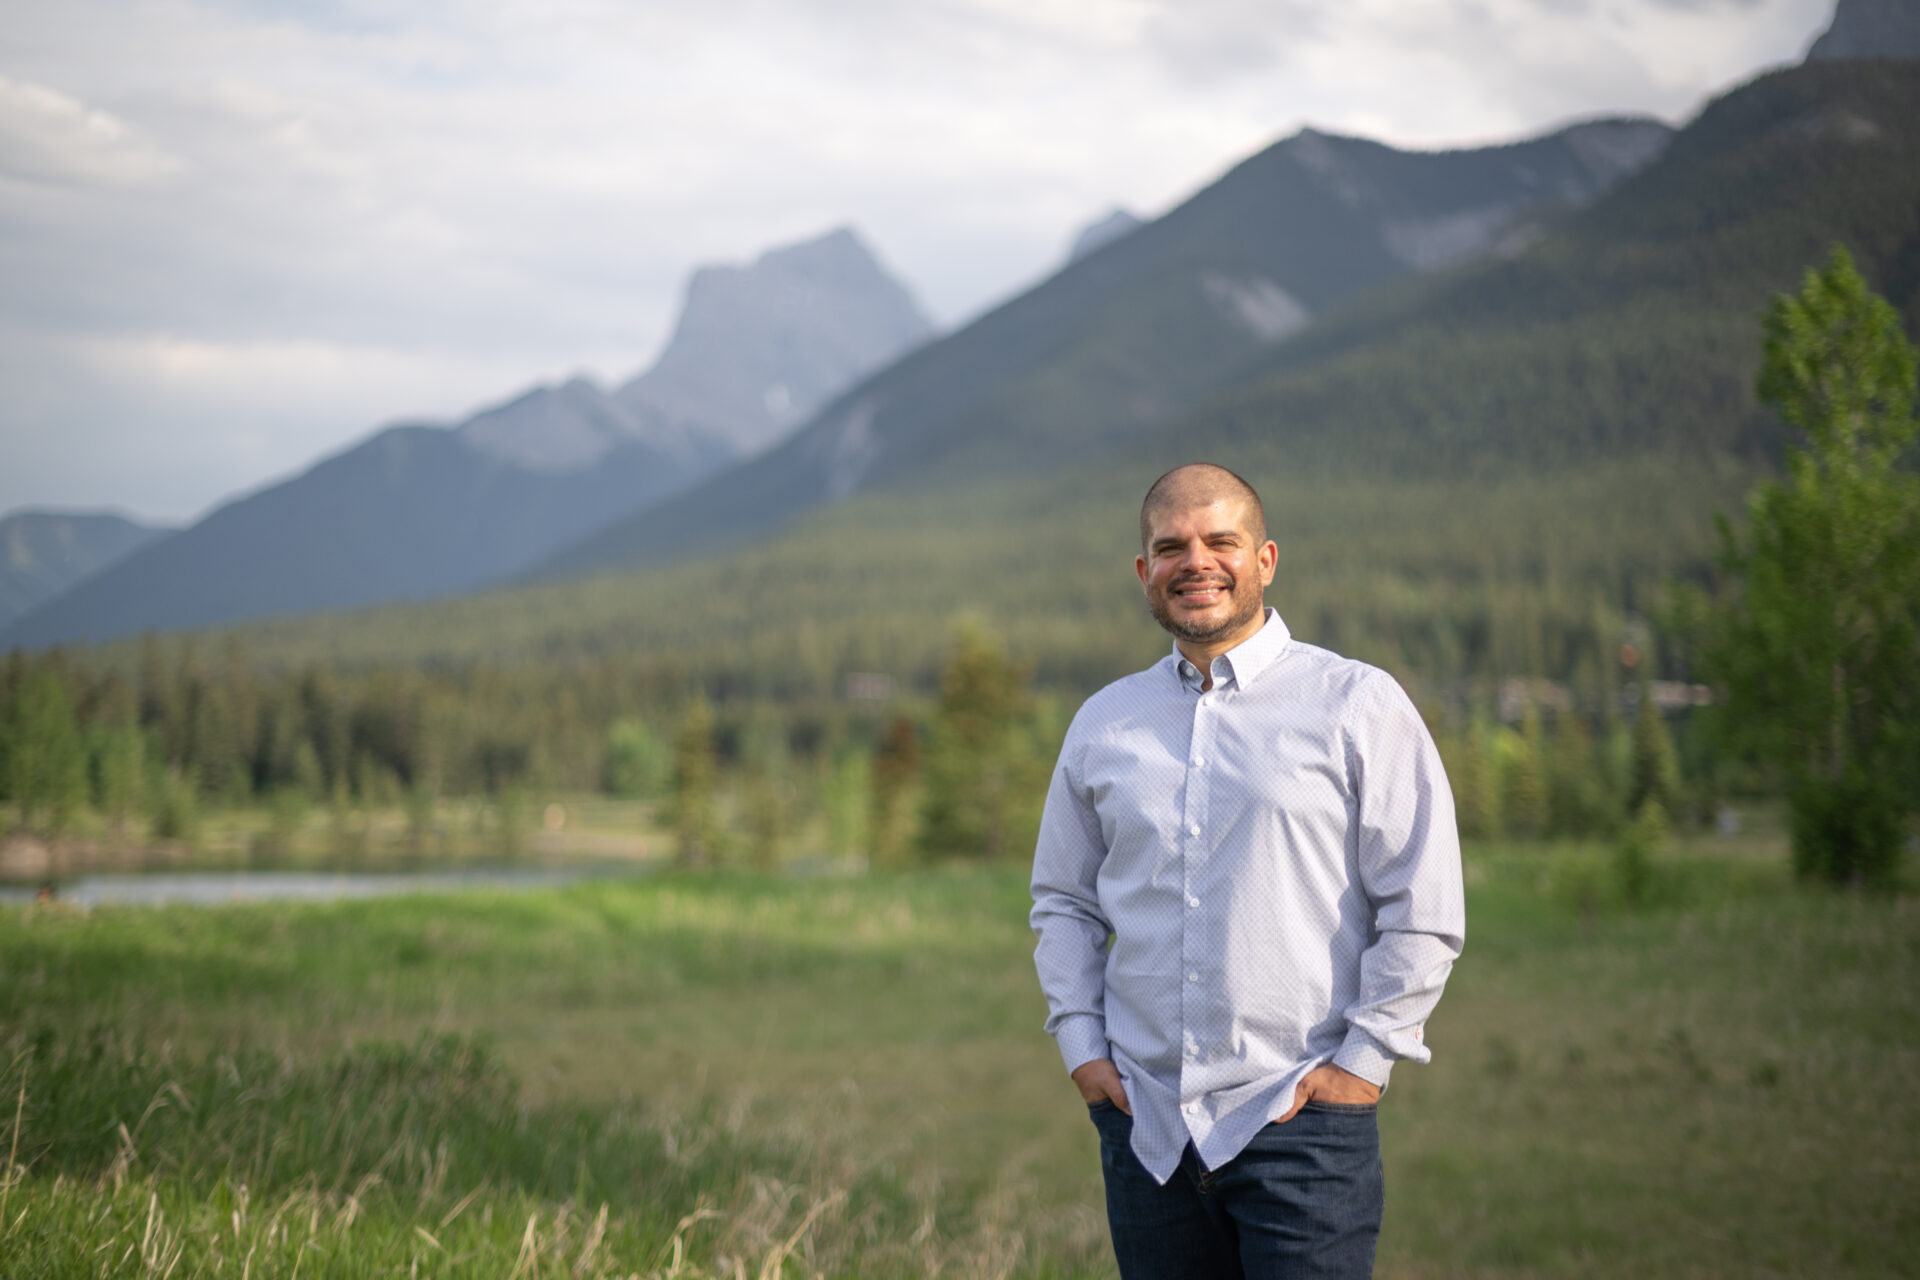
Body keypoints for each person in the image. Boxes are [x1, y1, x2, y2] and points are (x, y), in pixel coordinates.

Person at [1029, 462, 1465, 1279]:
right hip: (1148, 1132)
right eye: (1170, 547)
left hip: (1302, 1124)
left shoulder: (1355, 705)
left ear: (1265, 559)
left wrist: (1361, 1066)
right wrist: (1084, 1051)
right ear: (1144, 573)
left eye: (1220, 540)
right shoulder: (1104, 723)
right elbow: (1062, 901)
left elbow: (1425, 905)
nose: (1195, 562)